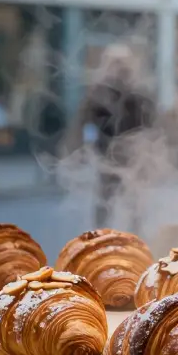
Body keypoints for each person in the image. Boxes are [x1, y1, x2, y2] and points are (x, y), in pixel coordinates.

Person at [73, 46, 156, 230]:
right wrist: (77, 147)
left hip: (133, 153)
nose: (119, 68)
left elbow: (150, 123)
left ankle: (134, 235)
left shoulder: (138, 92)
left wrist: (148, 150)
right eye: (115, 63)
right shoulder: (99, 92)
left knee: (134, 198)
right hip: (107, 152)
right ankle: (100, 235)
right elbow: (83, 119)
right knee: (105, 198)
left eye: (122, 63)